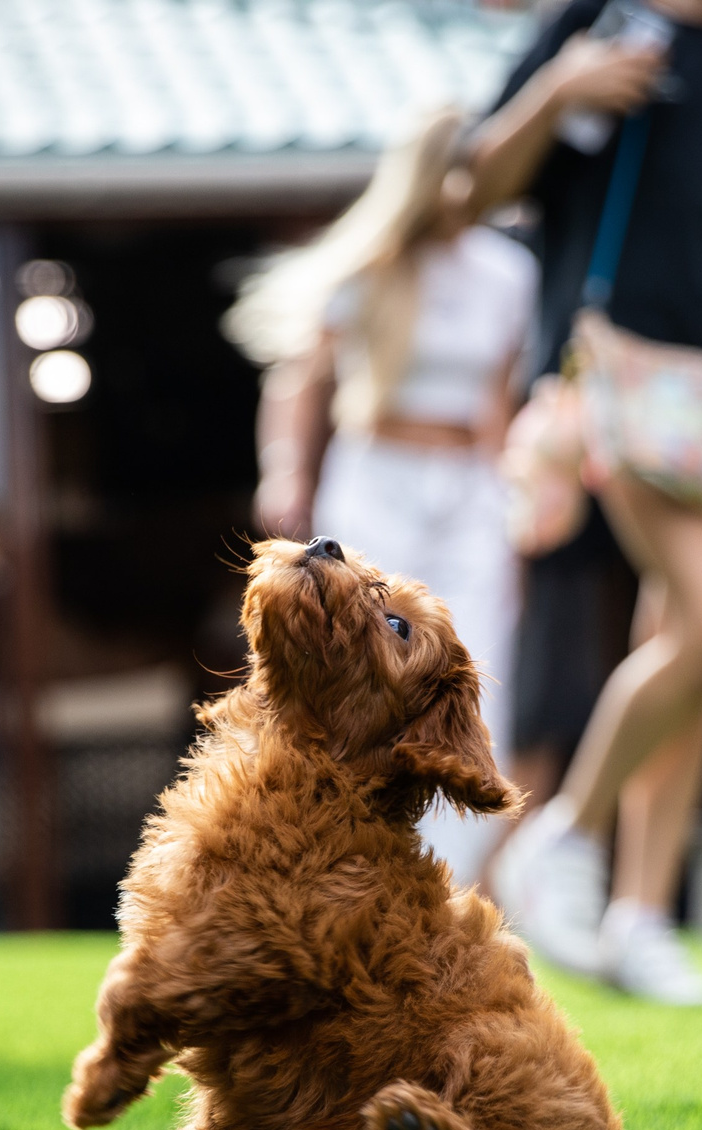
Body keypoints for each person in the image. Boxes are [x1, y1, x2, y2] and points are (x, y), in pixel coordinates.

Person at [475, 0, 702, 1006]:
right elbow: (475, 181)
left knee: (681, 643)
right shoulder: (595, 21)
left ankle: (640, 917)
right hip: (616, 368)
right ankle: (564, 834)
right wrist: (561, 88)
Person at [226, 107, 539, 888]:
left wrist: (516, 508)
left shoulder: (510, 273)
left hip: (469, 487)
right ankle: (324, 845)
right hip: (377, 474)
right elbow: (302, 381)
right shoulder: (369, 265)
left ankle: (447, 877)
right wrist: (284, 473)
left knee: (472, 666)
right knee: (354, 660)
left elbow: (499, 403)